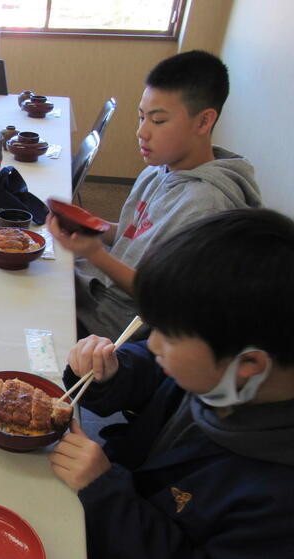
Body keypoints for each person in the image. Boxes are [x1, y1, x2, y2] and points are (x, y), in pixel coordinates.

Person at [49, 208, 294, 559]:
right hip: (103, 506)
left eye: (169, 335)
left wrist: (106, 492)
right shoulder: (225, 378)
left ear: (248, 364)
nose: (153, 342)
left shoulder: (277, 502)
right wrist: (110, 371)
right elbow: (152, 367)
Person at [48, 50, 262, 341]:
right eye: (141, 117)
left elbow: (168, 297)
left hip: (112, 326)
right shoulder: (160, 168)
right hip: (95, 289)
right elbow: (135, 233)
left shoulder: (205, 204)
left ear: (203, 122)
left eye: (158, 121)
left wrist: (94, 253)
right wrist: (92, 226)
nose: (142, 132)